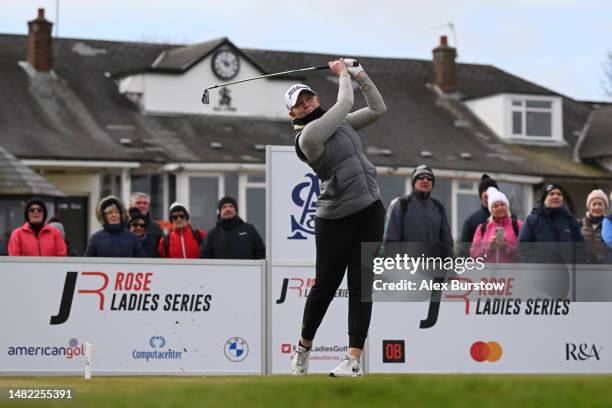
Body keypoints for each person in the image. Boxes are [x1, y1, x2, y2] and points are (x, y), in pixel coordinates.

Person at [287, 58, 387, 377]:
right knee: (326, 286)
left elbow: (377, 108)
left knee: (361, 285)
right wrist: (343, 73)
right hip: (335, 218)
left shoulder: (340, 123)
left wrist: (360, 73)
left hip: (370, 208)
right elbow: (344, 101)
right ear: (294, 114)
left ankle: (352, 360)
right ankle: (303, 349)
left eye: (310, 98)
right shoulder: (309, 137)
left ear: (316, 99)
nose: (307, 104)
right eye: (300, 104)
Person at [384, 165, 453, 255]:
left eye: (429, 178)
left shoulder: (438, 207)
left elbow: (447, 242)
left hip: (434, 266)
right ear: (414, 182)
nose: (425, 180)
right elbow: (391, 241)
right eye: (420, 177)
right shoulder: (401, 205)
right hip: (407, 266)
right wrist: (398, 266)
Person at [518, 183, 583, 263]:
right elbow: (523, 247)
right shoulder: (533, 220)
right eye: (551, 194)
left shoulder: (570, 221)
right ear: (544, 198)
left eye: (559, 194)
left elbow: (580, 247)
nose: (556, 196)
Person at [201, 196, 265, 259]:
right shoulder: (212, 234)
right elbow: (205, 257)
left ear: (236, 210)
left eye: (231, 206)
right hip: (221, 269)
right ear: (220, 212)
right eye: (224, 207)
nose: (228, 209)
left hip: (245, 269)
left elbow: (260, 252)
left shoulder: (249, 229)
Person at [470, 187, 523, 263]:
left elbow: (526, 252)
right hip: (488, 273)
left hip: (512, 273)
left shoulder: (518, 225)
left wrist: (506, 247)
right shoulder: (482, 228)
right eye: (495, 206)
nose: (500, 208)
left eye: (502, 204)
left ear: (507, 207)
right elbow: (473, 254)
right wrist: (488, 247)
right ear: (490, 210)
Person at [460, 174, 499, 246]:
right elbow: (464, 251)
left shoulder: (511, 220)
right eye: (485, 192)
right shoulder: (471, 222)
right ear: (481, 197)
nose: (488, 195)